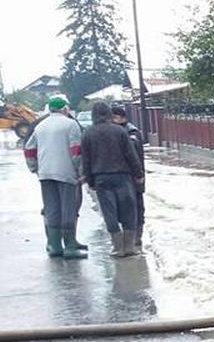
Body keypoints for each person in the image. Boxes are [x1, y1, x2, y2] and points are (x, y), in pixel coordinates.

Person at [22, 94, 87, 259]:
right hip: (66, 173)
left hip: (45, 174)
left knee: (51, 209)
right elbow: (76, 151)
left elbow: (29, 149)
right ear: (65, 108)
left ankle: (55, 246)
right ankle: (70, 247)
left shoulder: (40, 126)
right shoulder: (71, 124)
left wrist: (34, 168)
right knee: (68, 209)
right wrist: (81, 172)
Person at [81, 102, 143, 257]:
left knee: (109, 212)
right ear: (109, 114)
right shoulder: (119, 131)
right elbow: (130, 154)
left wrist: (90, 181)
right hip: (123, 176)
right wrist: (139, 173)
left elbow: (86, 160)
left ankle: (117, 247)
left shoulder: (88, 133)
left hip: (101, 178)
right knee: (129, 210)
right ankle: (129, 247)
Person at [111, 107, 147, 253]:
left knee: (137, 207)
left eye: (114, 118)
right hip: (122, 177)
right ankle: (127, 240)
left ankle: (136, 238)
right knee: (124, 208)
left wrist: (138, 175)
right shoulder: (117, 132)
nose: (112, 121)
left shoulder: (132, 133)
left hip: (134, 177)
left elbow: (134, 154)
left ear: (123, 118)